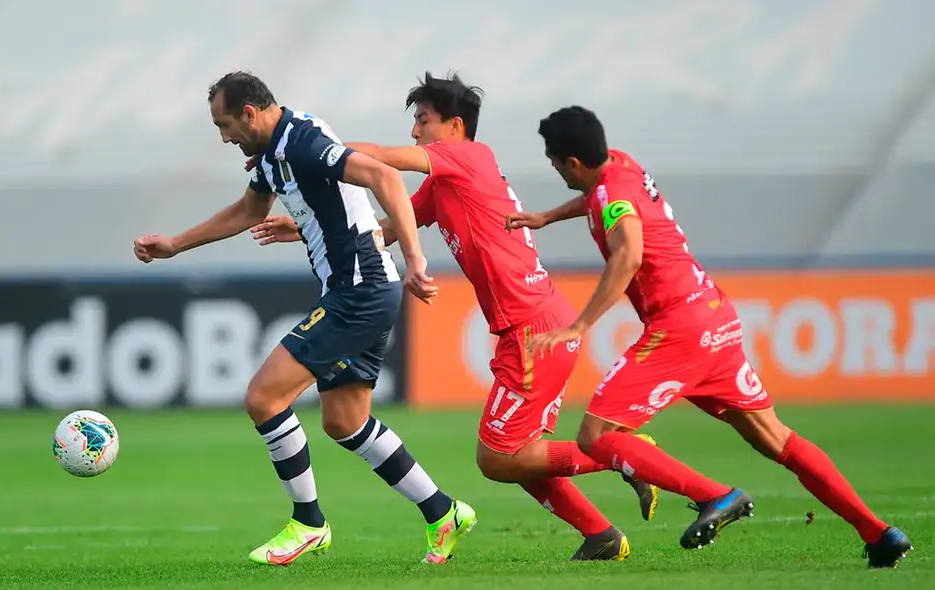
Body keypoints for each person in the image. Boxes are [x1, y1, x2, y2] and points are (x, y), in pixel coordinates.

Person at [248, 72, 659, 561]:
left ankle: (627, 454)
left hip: (534, 328)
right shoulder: (444, 184)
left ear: (455, 126)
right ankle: (601, 534)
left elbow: (378, 156)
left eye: (423, 120)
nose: (415, 131)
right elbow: (385, 229)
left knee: (498, 457)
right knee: (517, 454)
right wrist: (305, 226)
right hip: (528, 326)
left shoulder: (468, 156)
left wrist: (299, 147)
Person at [506, 104, 913, 568]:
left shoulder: (610, 196)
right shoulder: (621, 165)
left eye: (555, 163)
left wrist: (579, 325)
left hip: (679, 329)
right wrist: (548, 217)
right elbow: (602, 199)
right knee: (777, 439)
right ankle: (879, 533)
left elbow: (628, 254)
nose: (556, 170)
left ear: (573, 162)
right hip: (714, 316)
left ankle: (716, 496)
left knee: (595, 436)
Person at [132, 71, 476, 566]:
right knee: (345, 421)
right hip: (359, 289)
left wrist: (416, 260)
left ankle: (309, 523)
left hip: (359, 289)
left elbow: (385, 177)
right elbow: (249, 210)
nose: (224, 138)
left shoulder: (302, 141)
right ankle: (443, 512)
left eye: (225, 125)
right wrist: (176, 244)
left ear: (249, 113)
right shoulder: (274, 151)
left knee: (263, 397)